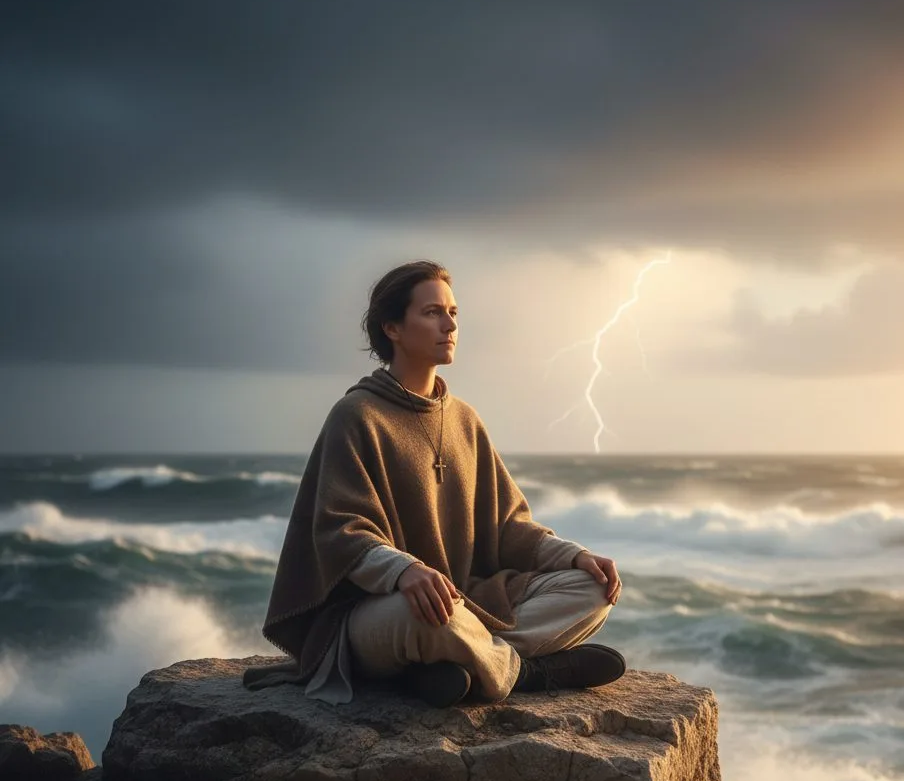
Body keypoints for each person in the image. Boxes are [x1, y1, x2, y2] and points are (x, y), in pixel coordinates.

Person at [242, 260, 625, 709]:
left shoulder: (464, 419)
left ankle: (455, 670)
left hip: (463, 600)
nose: (449, 325)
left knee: (594, 588)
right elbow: (340, 532)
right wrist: (404, 571)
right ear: (393, 328)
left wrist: (574, 556)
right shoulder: (357, 416)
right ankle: (528, 672)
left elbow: (506, 526)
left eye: (454, 313)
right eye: (432, 313)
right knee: (429, 617)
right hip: (379, 612)